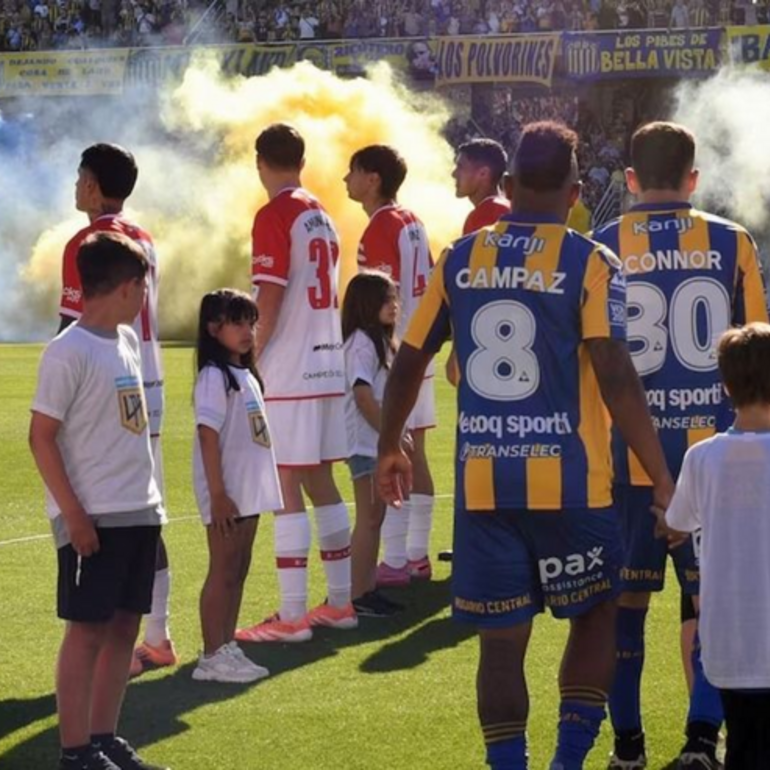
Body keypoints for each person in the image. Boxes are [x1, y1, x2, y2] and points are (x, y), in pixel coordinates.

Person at [377, 121, 674, 770]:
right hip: (574, 485)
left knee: (501, 644)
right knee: (596, 616)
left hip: (485, 486)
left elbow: (408, 360)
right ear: (574, 192)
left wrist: (389, 447)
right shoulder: (593, 260)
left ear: (507, 186)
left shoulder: (459, 256)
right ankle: (568, 763)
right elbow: (616, 372)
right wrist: (661, 476)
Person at [592, 121, 769, 770]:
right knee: (712, 604)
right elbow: (758, 351)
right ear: (694, 180)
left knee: (624, 611)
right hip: (720, 463)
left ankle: (628, 749)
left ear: (630, 180)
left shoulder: (602, 245)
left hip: (627, 462)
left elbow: (592, 359)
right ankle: (702, 742)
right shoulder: (732, 241)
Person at [30, 232, 169, 770]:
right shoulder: (67, 352)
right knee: (86, 631)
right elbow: (41, 436)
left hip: (139, 509)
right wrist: (73, 514)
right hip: (94, 516)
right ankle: (74, 751)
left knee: (125, 628)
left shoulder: (127, 341)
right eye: (142, 287)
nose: (144, 298)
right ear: (128, 287)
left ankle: (104, 737)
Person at [58, 143, 177, 677]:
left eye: (80, 176)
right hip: (147, 384)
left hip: (106, 390)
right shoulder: (145, 237)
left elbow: (73, 328)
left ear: (92, 184)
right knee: (144, 511)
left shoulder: (88, 243)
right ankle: (157, 635)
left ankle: (106, 642)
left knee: (100, 511)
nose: (76, 185)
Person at [236, 123, 357, 643]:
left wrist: (248, 353)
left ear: (260, 162)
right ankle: (340, 602)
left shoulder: (275, 212)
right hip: (329, 364)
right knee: (320, 479)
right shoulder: (322, 214)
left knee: (285, 482)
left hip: (289, 368)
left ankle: (290, 616)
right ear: (301, 162)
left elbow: (269, 295)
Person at [664, 323, 770, 770]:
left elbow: (678, 521)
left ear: (725, 386)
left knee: (744, 746)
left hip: (728, 642)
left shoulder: (702, 457)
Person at [345, 143, 436, 587]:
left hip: (396, 358)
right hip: (422, 348)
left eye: (353, 171)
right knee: (416, 450)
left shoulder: (381, 226)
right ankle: (415, 555)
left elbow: (380, 297)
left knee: (396, 448)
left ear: (373, 178)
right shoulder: (414, 221)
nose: (346, 179)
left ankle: (397, 559)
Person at [192, 289, 283, 682]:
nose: (248, 331)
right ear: (214, 329)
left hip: (249, 489)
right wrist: (217, 494)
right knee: (223, 568)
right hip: (228, 492)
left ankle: (227, 644)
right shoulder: (215, 376)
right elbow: (207, 435)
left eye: (251, 323)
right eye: (238, 323)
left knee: (239, 568)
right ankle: (211, 655)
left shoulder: (246, 374)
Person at [342, 271, 406, 617]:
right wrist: (390, 435)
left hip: (376, 442)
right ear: (366, 304)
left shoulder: (380, 342)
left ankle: (366, 588)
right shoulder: (360, 343)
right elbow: (363, 395)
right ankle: (356, 594)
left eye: (395, 297)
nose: (394, 305)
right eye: (386, 299)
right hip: (366, 444)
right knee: (368, 518)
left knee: (375, 517)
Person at [446, 138, 511, 390]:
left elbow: (478, 282)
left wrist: (459, 344)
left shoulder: (486, 214)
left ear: (483, 173)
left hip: (490, 333)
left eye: (461, 166)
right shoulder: (503, 208)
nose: (454, 172)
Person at [452, 138, 511, 237]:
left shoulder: (488, 212)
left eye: (460, 167)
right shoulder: (506, 207)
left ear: (483, 173)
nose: (454, 174)